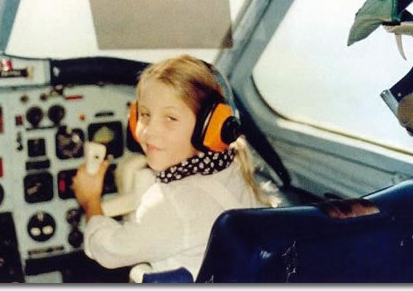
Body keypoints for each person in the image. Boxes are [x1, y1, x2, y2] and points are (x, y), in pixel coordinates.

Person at [72, 54, 278, 280]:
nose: (149, 131)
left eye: (170, 118)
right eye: (145, 115)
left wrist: (91, 201)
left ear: (208, 127)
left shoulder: (171, 202)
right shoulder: (235, 168)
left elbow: (109, 252)